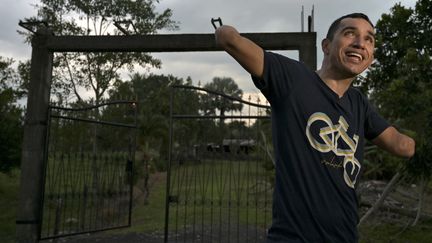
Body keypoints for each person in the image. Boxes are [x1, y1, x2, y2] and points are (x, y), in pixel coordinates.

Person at [215, 13, 415, 242]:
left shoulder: (359, 104)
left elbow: (404, 147)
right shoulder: (294, 79)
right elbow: (227, 39)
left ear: (370, 57)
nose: (360, 43)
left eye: (369, 39)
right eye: (350, 33)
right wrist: (224, 30)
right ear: (327, 46)